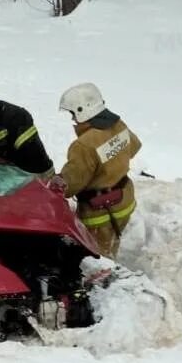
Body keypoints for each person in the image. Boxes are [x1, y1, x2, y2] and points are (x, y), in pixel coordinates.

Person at [55, 82, 141, 258]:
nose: (72, 119)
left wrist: (55, 183)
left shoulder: (84, 145)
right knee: (111, 245)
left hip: (100, 213)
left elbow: (71, 184)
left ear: (82, 110)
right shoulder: (118, 124)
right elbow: (134, 146)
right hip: (125, 200)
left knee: (98, 260)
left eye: (72, 114)